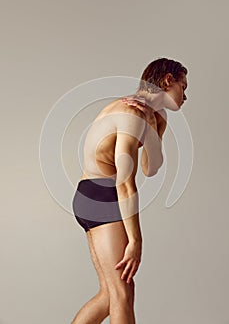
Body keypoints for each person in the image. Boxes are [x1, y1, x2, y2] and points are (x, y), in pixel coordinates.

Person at [71, 57, 188, 324]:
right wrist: (136, 241)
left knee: (110, 295)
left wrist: (152, 129)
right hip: (100, 195)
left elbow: (151, 166)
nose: (185, 95)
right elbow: (125, 181)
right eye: (183, 86)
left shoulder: (154, 116)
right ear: (168, 80)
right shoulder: (131, 112)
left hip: (93, 196)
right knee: (123, 293)